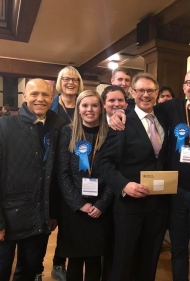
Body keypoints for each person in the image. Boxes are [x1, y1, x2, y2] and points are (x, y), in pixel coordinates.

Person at [109, 68, 190, 281]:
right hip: (174, 194)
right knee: (178, 250)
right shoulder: (171, 109)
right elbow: (142, 105)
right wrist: (119, 112)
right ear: (183, 87)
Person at [0, 79, 65, 280]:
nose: (40, 99)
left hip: (39, 219)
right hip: (6, 219)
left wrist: (52, 213)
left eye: (45, 95)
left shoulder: (57, 127)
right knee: (0, 273)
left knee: (29, 273)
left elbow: (55, 176)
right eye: (34, 94)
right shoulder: (2, 127)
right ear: (25, 97)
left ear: (52, 98)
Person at [99, 73, 169, 281]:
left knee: (150, 260)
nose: (146, 95)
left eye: (151, 91)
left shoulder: (164, 118)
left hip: (158, 205)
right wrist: (124, 185)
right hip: (129, 205)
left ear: (157, 93)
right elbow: (104, 162)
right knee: (124, 261)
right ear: (133, 93)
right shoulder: (121, 122)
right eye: (141, 91)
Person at [57, 90, 113, 281]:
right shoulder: (68, 131)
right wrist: (79, 203)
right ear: (78, 108)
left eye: (94, 105)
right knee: (74, 260)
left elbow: (115, 173)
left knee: (94, 260)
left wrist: (101, 204)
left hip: (100, 207)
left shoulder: (110, 134)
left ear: (101, 108)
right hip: (74, 209)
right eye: (85, 105)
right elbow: (62, 172)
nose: (90, 109)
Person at [49, 65, 84, 281]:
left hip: (78, 172)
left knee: (71, 221)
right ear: (59, 83)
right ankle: (44, 266)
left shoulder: (85, 105)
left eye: (74, 79)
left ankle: (61, 262)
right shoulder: (50, 108)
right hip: (52, 172)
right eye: (66, 79)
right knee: (52, 220)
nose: (70, 82)